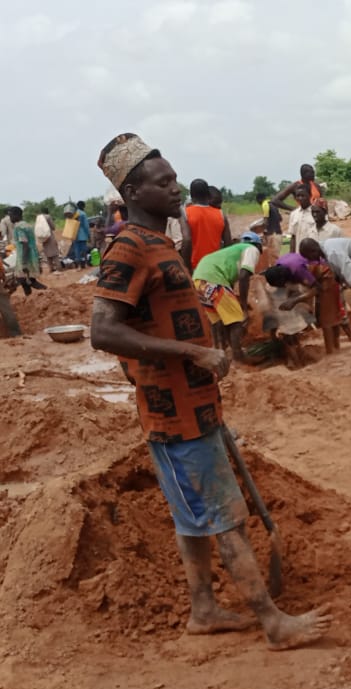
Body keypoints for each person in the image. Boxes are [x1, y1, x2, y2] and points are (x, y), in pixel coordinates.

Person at [91, 133, 331, 649]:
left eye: (174, 178)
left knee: (193, 517)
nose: (176, 188)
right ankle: (272, 622)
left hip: (195, 404)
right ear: (133, 193)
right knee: (226, 517)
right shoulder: (129, 247)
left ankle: (203, 609)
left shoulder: (161, 244)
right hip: (173, 413)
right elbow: (102, 331)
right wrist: (194, 354)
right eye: (163, 183)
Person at [192, 232, 264, 362]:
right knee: (236, 318)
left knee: (218, 319)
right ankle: (238, 356)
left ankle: (221, 351)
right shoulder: (252, 249)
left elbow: (231, 279)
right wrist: (243, 306)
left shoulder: (231, 252)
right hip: (213, 278)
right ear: (258, 245)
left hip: (198, 279)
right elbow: (243, 276)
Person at [183, 178, 230, 269]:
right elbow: (228, 244)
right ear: (208, 194)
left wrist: (187, 269)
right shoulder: (221, 215)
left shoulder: (185, 214)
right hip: (216, 267)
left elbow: (186, 241)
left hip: (195, 268)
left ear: (191, 195)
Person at [10, 207, 45, 294]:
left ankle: (47, 292)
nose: (10, 218)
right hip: (32, 256)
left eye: (10, 215)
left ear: (16, 215)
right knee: (25, 281)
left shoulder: (19, 228)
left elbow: (25, 245)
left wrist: (23, 263)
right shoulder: (28, 225)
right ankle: (29, 299)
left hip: (25, 257)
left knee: (26, 280)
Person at [34, 207, 61, 273]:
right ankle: (58, 268)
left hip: (43, 238)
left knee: (48, 253)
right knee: (55, 253)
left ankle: (50, 268)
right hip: (50, 236)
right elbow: (53, 227)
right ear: (47, 211)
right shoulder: (48, 217)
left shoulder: (39, 218)